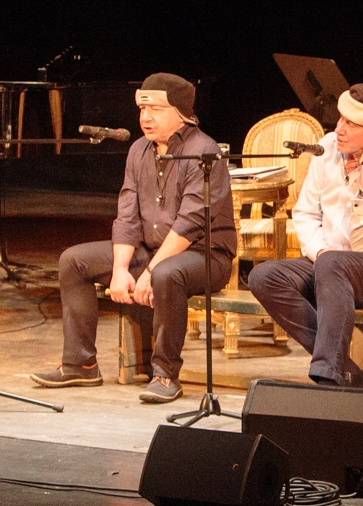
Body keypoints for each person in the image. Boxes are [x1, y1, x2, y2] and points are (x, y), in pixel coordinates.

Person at [31, 74, 235, 404]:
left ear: (180, 112)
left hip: (205, 256)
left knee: (169, 273)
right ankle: (81, 363)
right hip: (153, 251)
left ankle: (165, 374)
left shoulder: (203, 151)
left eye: (155, 109)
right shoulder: (139, 150)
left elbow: (191, 223)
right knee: (74, 260)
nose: (145, 117)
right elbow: (127, 214)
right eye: (142, 109)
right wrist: (121, 268)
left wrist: (152, 271)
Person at [246, 85, 363, 387]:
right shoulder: (327, 148)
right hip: (331, 261)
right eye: (340, 119)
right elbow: (304, 214)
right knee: (264, 276)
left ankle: (328, 375)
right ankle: (351, 372)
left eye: (351, 124)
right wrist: (319, 253)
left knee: (333, 265)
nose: (339, 129)